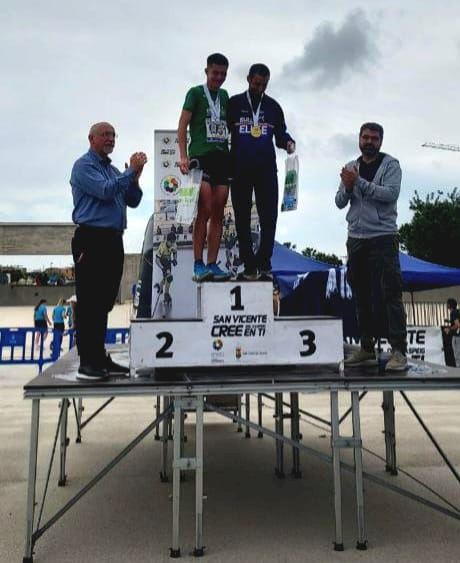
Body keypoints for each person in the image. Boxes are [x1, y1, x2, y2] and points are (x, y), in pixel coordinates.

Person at [70, 122, 146, 380]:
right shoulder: (83, 166)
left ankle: (98, 356)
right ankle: (87, 362)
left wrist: (134, 178)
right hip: (91, 239)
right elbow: (105, 191)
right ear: (91, 138)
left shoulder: (113, 171)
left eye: (113, 135)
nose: (111, 138)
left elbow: (133, 200)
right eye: (105, 134)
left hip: (113, 240)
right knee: (89, 301)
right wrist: (128, 172)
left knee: (103, 302)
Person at [335, 122, 408, 371]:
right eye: (365, 137)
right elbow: (339, 202)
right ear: (359, 139)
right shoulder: (350, 167)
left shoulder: (391, 165)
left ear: (381, 141)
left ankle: (399, 351)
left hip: (383, 236)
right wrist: (348, 186)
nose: (369, 142)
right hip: (356, 237)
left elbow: (390, 195)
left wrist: (358, 183)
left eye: (374, 138)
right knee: (361, 293)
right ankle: (366, 347)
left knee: (391, 293)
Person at [227, 63, 295, 281]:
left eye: (264, 85)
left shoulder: (273, 107)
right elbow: (222, 133)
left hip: (266, 169)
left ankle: (264, 263)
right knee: (242, 217)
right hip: (240, 169)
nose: (260, 88)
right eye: (257, 84)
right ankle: (249, 265)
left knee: (269, 217)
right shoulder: (234, 104)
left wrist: (288, 143)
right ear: (248, 79)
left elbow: (281, 134)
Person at [178, 52, 231, 282]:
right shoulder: (195, 93)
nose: (218, 77)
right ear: (206, 71)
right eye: (215, 73)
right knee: (205, 206)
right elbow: (182, 126)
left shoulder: (225, 96)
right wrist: (183, 156)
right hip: (201, 156)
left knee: (219, 210)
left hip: (222, 158)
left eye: (223, 74)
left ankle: (212, 263)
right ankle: (198, 264)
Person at [154, 232, 178, 305]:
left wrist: (175, 259)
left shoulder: (174, 245)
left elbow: (175, 252)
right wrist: (162, 268)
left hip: (168, 260)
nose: (173, 244)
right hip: (162, 261)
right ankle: (166, 294)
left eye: (174, 242)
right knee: (169, 277)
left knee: (166, 278)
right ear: (167, 241)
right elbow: (157, 260)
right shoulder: (162, 246)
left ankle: (160, 286)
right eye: (171, 242)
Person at [443, 298, 460, 366]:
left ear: (450, 305)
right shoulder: (457, 311)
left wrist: (449, 329)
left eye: (447, 303)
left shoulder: (453, 312)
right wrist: (449, 321)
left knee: (457, 356)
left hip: (457, 337)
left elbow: (457, 325)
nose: (446, 305)